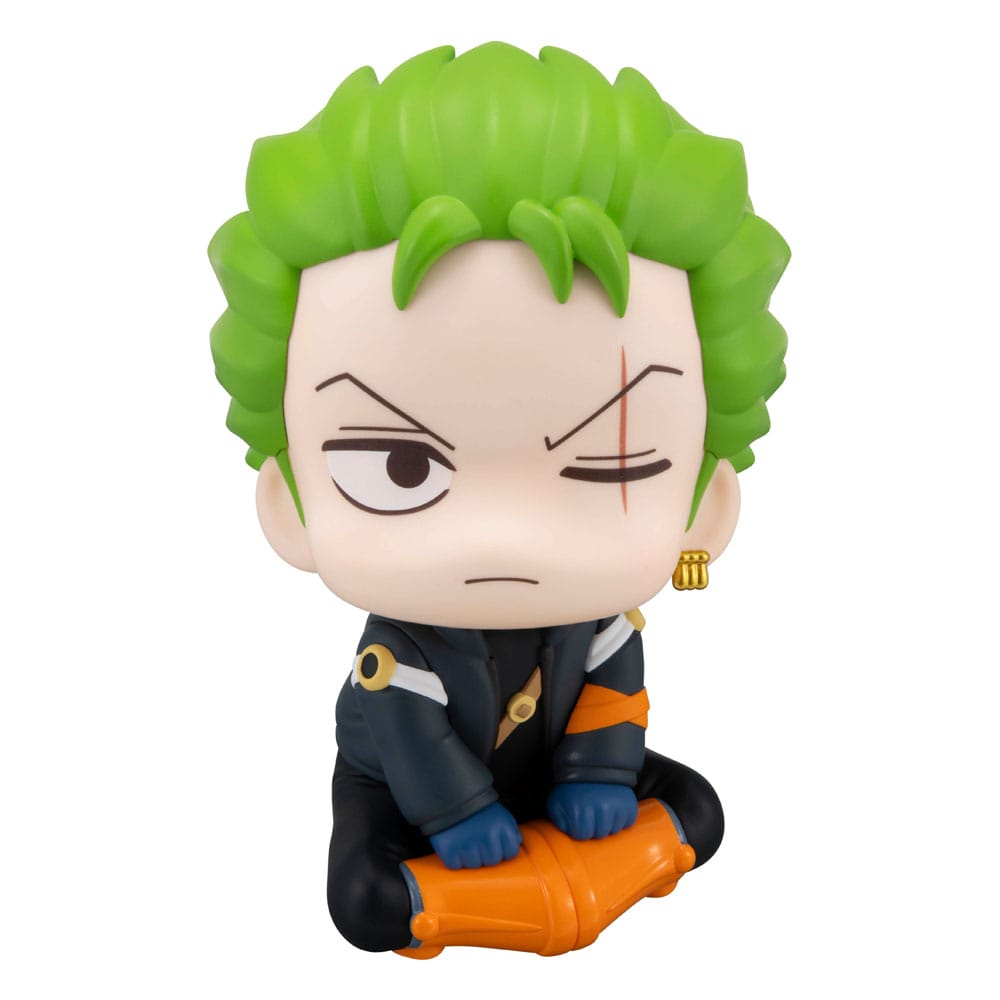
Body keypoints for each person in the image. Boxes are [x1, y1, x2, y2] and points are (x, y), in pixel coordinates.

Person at [209, 41, 789, 956]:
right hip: (408, 795)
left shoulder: (606, 622)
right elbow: (409, 739)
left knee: (701, 808)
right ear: (289, 508)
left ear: (705, 512)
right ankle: (499, 895)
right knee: (362, 896)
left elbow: (613, 691)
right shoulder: (398, 654)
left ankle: (530, 889)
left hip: (554, 770)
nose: (501, 536)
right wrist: (459, 814)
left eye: (613, 466)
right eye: (398, 468)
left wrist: (599, 773)